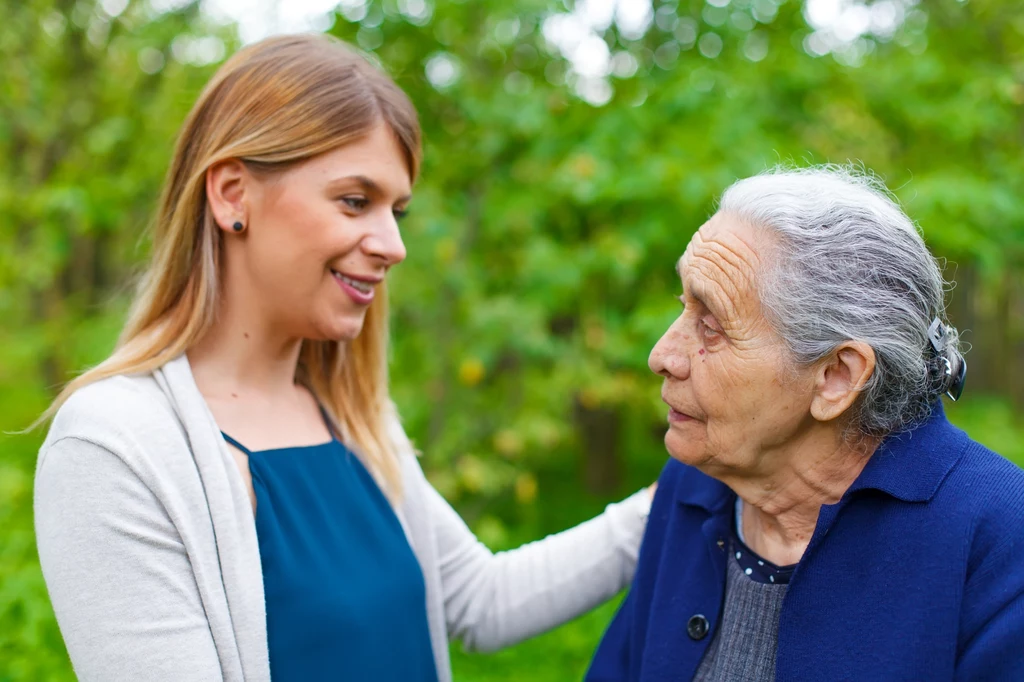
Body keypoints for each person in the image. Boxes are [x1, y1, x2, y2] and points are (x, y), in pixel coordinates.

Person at [33, 34, 653, 682]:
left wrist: (676, 496)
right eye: (355, 201)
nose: (392, 244)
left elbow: (479, 597)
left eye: (398, 212)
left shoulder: (355, 417)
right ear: (231, 195)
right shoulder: (116, 447)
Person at [587, 166, 1024, 681]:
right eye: (683, 307)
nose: (662, 355)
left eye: (711, 326)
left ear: (836, 376)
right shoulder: (697, 483)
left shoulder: (997, 538)